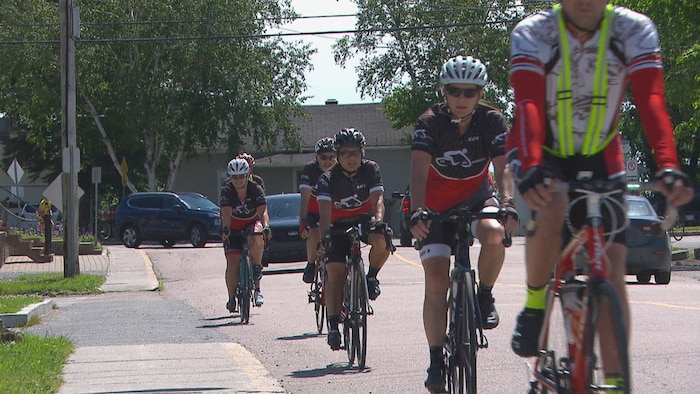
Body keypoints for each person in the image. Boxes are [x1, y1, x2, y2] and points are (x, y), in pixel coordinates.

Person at [507, 0, 693, 387]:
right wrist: (532, 164)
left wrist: (668, 164)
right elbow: (527, 104)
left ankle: (617, 379)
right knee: (553, 204)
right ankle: (536, 302)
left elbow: (651, 99)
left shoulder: (634, 29)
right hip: (542, 149)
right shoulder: (533, 32)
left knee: (611, 268)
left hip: (602, 154)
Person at [408, 55, 519, 392]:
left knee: (495, 234)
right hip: (436, 206)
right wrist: (417, 210)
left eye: (469, 92)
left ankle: (484, 295)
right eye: (454, 90)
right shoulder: (430, 122)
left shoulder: (492, 120)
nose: (461, 98)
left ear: (480, 93)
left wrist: (509, 203)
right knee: (436, 280)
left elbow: (504, 168)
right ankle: (435, 360)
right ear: (444, 91)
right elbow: (418, 169)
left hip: (476, 198)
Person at [316, 128, 392, 350]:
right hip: (337, 226)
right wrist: (324, 238)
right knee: (336, 274)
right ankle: (333, 326)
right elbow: (324, 213)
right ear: (338, 156)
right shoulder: (327, 178)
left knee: (382, 239)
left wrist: (378, 220)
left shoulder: (370, 169)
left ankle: (371, 277)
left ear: (362, 153)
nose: (351, 158)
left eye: (356, 152)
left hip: (364, 219)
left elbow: (378, 200)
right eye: (346, 153)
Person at [220, 158, 271, 311]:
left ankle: (257, 281)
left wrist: (266, 227)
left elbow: (263, 211)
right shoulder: (227, 190)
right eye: (234, 177)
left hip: (250, 223)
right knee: (233, 262)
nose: (238, 180)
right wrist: (226, 229)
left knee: (256, 234)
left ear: (247, 174)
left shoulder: (255, 188)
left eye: (241, 176)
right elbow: (226, 214)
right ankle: (231, 298)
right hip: (233, 226)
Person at [300, 137, 338, 283]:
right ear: (317, 157)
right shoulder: (310, 169)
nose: (327, 161)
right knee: (314, 232)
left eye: (331, 157)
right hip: (314, 211)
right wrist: (303, 221)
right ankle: (310, 264)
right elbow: (304, 198)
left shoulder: (341, 170)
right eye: (323, 157)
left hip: (335, 211)